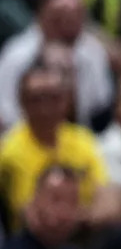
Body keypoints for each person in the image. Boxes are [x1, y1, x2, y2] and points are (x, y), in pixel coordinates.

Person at [0, 66, 109, 231]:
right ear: (22, 102)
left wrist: (77, 217)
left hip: (85, 238)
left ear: (67, 100)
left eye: (54, 98)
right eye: (36, 99)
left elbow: (105, 195)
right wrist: (81, 215)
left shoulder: (83, 139)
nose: (46, 108)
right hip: (33, 243)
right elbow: (29, 214)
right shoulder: (8, 151)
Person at [0, 0, 114, 130]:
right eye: (59, 18)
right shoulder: (16, 54)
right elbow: (6, 110)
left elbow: (99, 107)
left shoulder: (93, 51)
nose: (66, 25)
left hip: (81, 136)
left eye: (73, 18)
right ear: (42, 16)